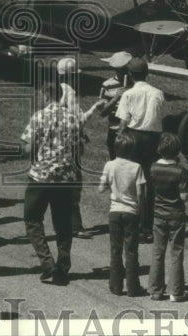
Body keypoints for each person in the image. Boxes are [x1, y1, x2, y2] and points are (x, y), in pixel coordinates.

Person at [21, 74, 87, 286]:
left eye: (41, 94)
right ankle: (63, 264)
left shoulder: (38, 117)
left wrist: (31, 157)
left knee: (32, 218)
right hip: (65, 177)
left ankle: (47, 263)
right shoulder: (73, 119)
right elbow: (80, 149)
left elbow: (28, 148)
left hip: (41, 176)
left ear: (47, 94)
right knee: (63, 222)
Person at [56, 57, 107, 239]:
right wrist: (95, 107)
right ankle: (75, 226)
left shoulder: (53, 91)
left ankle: (62, 223)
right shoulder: (69, 91)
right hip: (71, 144)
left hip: (55, 144)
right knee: (74, 183)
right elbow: (79, 120)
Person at [116, 57, 165, 238]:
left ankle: (131, 223)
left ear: (130, 74)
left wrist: (119, 138)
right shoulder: (158, 93)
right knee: (149, 183)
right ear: (147, 73)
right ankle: (147, 227)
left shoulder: (128, 94)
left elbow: (123, 122)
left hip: (134, 137)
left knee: (131, 180)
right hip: (153, 138)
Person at [99, 131, 147, 297]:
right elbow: (141, 193)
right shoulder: (137, 168)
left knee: (115, 249)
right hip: (131, 211)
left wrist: (110, 186)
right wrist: (141, 210)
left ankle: (115, 285)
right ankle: (133, 288)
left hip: (114, 211)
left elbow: (101, 187)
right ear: (132, 150)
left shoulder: (109, 165)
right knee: (131, 251)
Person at [148, 133, 188, 303]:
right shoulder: (180, 171)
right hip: (176, 214)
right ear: (177, 151)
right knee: (176, 252)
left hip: (159, 214)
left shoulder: (153, 167)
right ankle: (176, 291)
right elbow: (184, 197)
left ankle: (155, 290)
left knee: (157, 251)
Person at [99, 53, 134, 159]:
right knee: (115, 159)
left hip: (132, 128)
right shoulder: (107, 85)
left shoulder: (135, 83)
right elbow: (102, 112)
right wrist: (116, 98)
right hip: (114, 128)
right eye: (120, 69)